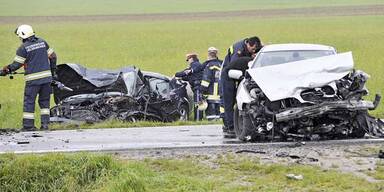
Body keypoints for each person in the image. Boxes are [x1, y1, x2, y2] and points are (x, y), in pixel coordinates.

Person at [0, 24, 57, 131]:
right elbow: (53, 57)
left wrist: (5, 70)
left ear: (23, 35)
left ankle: (28, 126)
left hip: (33, 81)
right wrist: (53, 72)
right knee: (45, 102)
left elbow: (16, 65)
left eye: (20, 37)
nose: (20, 39)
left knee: (29, 102)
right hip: (47, 79)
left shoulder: (23, 48)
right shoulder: (42, 42)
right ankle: (45, 125)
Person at [220, 36, 263, 138]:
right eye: (252, 49)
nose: (253, 51)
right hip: (229, 74)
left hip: (241, 74)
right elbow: (235, 64)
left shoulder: (250, 47)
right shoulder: (238, 49)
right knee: (229, 101)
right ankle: (230, 127)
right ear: (248, 44)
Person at [175, 53, 204, 120]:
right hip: (197, 87)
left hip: (198, 87)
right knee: (199, 104)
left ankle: (198, 120)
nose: (188, 62)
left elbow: (186, 73)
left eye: (188, 60)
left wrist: (177, 74)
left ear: (191, 58)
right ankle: (199, 119)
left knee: (198, 104)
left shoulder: (195, 64)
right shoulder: (196, 66)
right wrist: (182, 78)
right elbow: (189, 77)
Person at [201, 47, 222, 120]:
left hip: (211, 93)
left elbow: (206, 80)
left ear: (209, 55)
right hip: (221, 93)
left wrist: (202, 90)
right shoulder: (222, 64)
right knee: (220, 113)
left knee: (211, 115)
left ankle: (211, 123)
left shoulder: (209, 65)